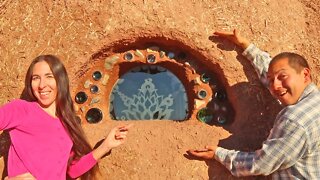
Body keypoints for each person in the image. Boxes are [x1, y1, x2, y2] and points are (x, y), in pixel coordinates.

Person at [187, 29, 320, 179]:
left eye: (282, 76)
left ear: (305, 74)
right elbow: (272, 74)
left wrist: (219, 154)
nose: (275, 85)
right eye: (271, 80)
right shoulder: (313, 100)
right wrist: (246, 46)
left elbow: (260, 165)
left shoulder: (295, 120)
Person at [0, 55, 132, 180]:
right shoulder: (21, 109)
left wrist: (106, 146)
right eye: (35, 78)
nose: (41, 85)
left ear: (60, 80)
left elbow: (72, 170)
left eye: (49, 76)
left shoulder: (67, 123)